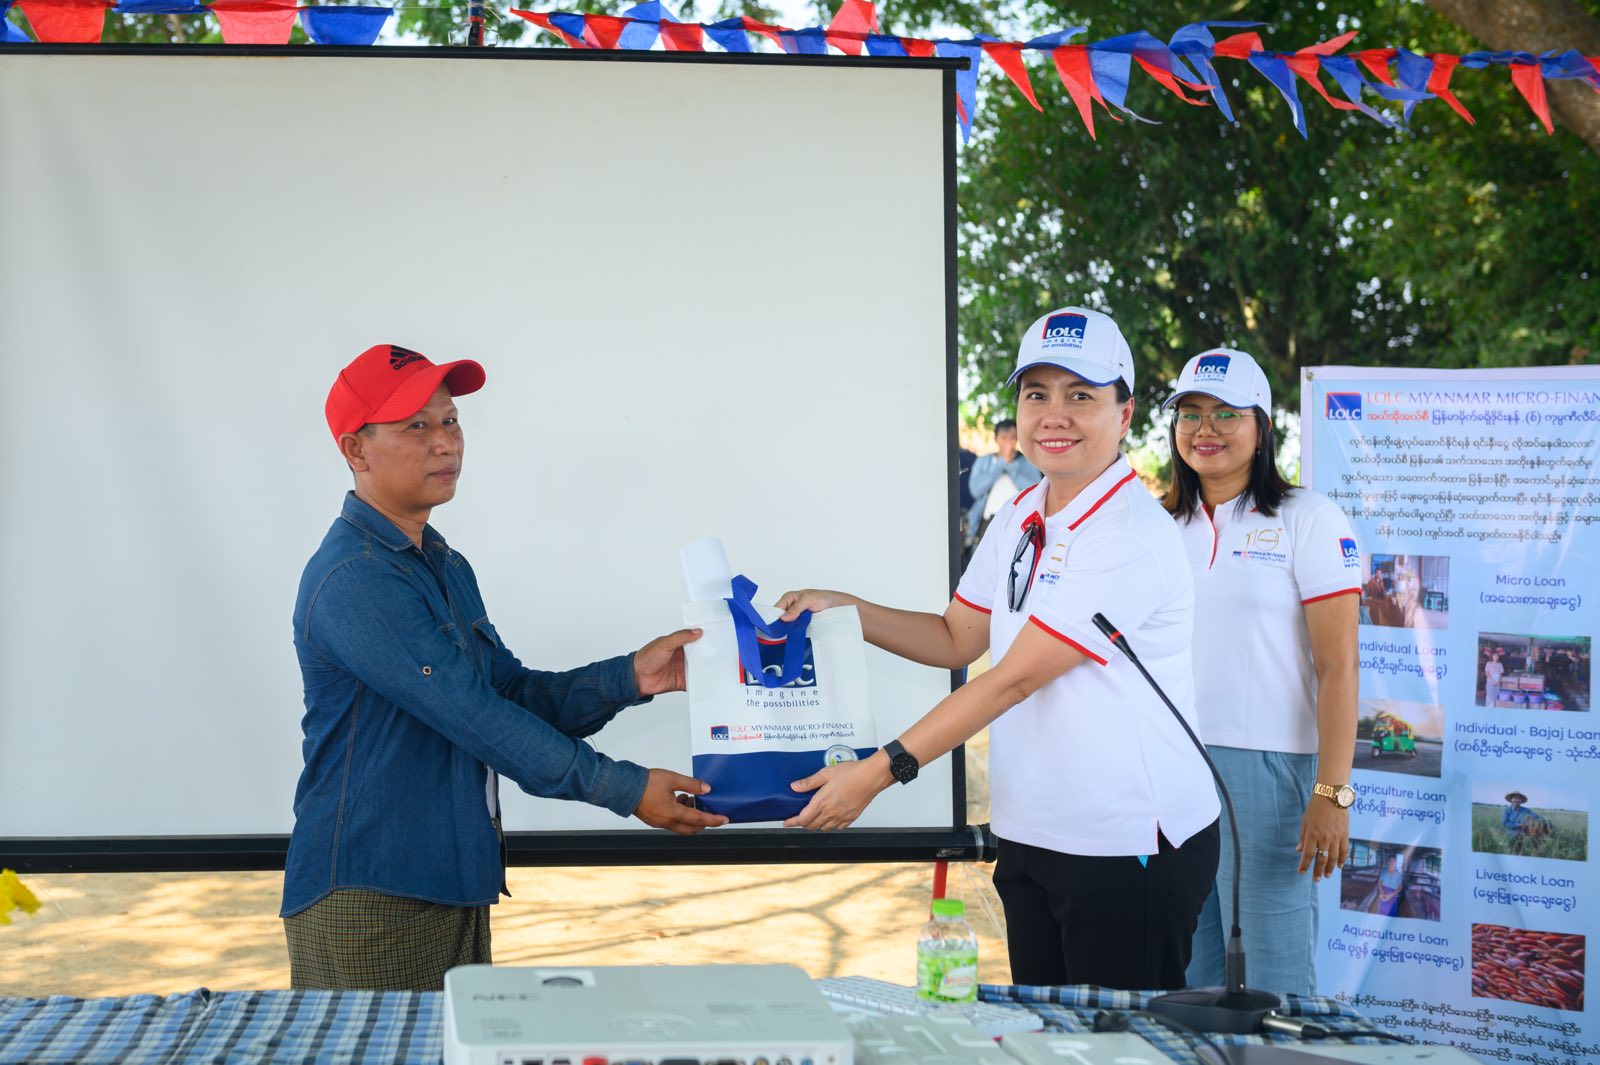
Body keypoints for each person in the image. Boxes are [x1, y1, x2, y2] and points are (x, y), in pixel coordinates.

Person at [774, 307, 1220, 991]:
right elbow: (959, 635)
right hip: (1034, 828)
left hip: (1123, 842)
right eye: (1036, 393)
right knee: (1047, 1039)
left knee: (1117, 1049)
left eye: (1081, 395)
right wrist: (848, 611)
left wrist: (877, 771)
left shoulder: (1127, 533)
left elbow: (1012, 680)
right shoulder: (1024, 510)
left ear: (1125, 415)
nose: (1054, 415)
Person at [282, 343, 726, 991]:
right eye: (417, 425)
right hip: (372, 894)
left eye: (452, 420)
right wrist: (626, 789)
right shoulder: (357, 577)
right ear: (356, 450)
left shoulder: (441, 562)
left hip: (450, 886)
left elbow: (508, 693)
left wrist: (633, 676)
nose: (446, 442)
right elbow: (477, 717)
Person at [1163, 348, 1360, 998]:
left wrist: (1332, 793)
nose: (1205, 428)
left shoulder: (1309, 517)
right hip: (1173, 768)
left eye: (1226, 413)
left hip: (1271, 774)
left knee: (1273, 978)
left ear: (1263, 425)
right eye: (1190, 413)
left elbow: (1340, 665)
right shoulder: (1161, 526)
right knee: (1193, 975)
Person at [964, 418, 1042, 552]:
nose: (1008, 442)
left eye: (1012, 438)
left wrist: (1012, 468)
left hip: (1019, 520)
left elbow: (1036, 490)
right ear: (996, 439)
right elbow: (975, 490)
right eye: (1004, 438)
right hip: (989, 519)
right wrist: (1000, 465)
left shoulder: (1027, 462)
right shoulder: (984, 461)